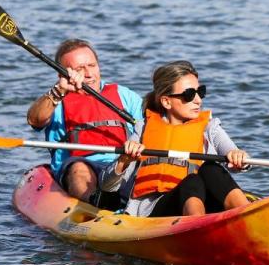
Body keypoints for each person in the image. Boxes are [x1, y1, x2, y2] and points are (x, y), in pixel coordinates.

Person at [101, 60, 250, 217]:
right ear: (166, 101)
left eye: (201, 92)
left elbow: (235, 155)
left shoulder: (210, 127)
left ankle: (247, 216)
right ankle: (196, 226)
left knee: (211, 168)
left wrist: (238, 157)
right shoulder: (143, 128)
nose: (198, 100)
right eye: (189, 95)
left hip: (205, 203)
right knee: (191, 181)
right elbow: (106, 186)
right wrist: (124, 160)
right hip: (157, 209)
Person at [26, 39, 144, 205]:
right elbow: (34, 120)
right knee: (79, 169)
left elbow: (149, 128)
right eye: (79, 69)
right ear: (62, 74)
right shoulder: (58, 100)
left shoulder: (124, 95)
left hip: (123, 163)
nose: (89, 74)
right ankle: (97, 202)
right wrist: (59, 91)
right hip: (82, 168)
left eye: (92, 65)